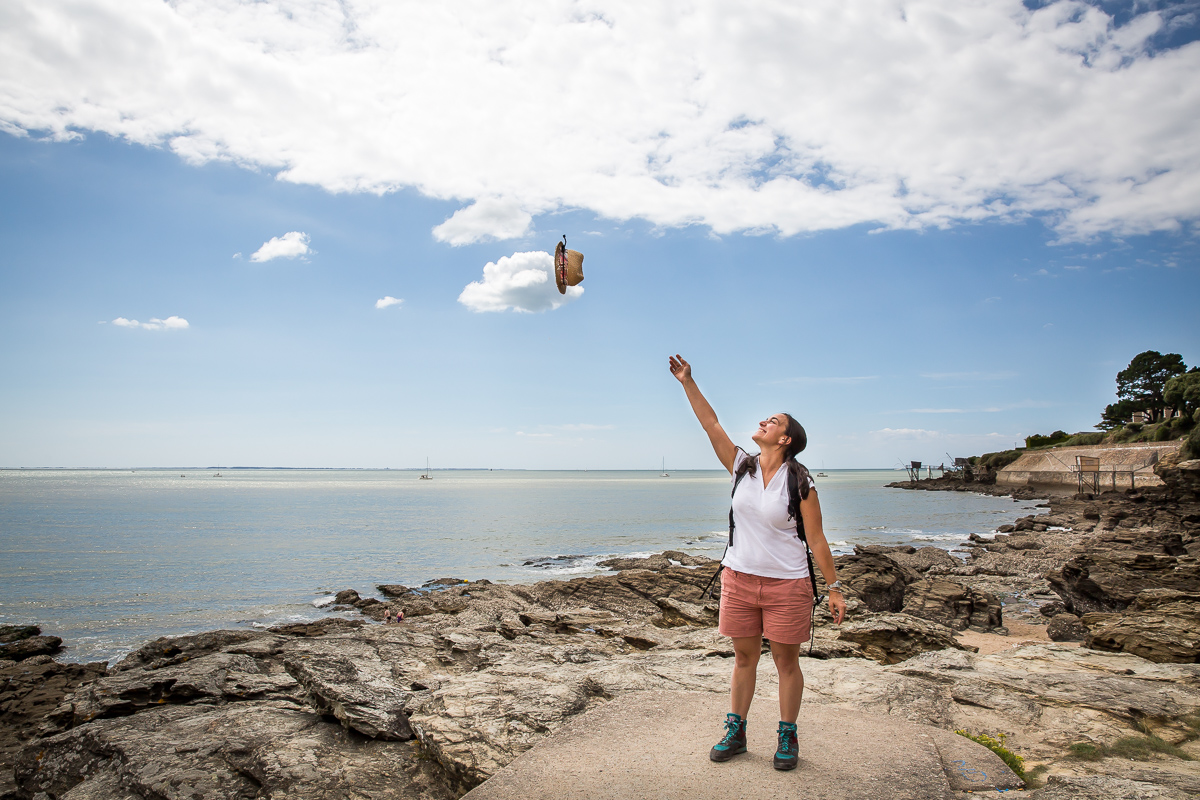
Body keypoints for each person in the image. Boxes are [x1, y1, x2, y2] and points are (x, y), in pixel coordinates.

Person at [669, 354, 847, 771]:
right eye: (766, 419)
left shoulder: (801, 482)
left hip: (788, 584)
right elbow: (711, 424)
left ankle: (787, 736)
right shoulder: (741, 467)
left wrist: (834, 588)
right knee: (743, 658)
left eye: (774, 422)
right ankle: (737, 731)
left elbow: (817, 538)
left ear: (786, 439)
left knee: (787, 662)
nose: (764, 423)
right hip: (738, 578)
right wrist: (687, 382)